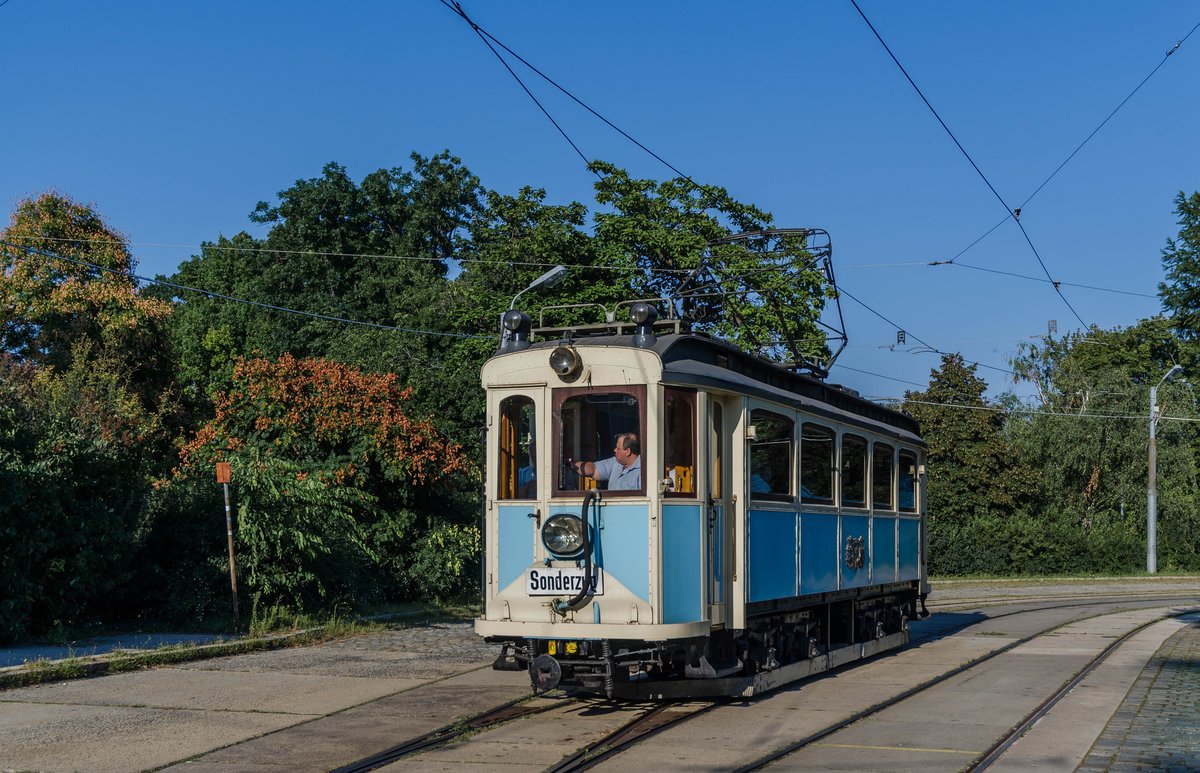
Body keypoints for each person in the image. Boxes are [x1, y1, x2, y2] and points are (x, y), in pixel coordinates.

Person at [573, 432, 641, 490]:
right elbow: (593, 469)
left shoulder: (644, 471)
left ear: (628, 451)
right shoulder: (615, 462)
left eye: (618, 448)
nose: (615, 450)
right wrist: (572, 465)